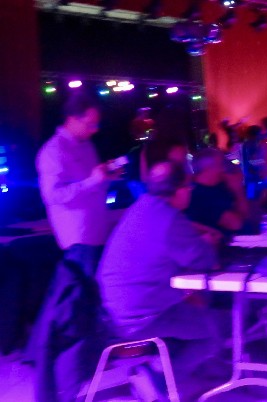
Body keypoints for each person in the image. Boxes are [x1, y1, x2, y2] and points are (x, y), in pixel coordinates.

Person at [97, 161, 221, 382]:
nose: (190, 191)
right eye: (188, 186)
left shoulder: (141, 207)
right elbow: (204, 260)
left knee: (197, 302)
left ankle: (180, 367)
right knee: (214, 331)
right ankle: (159, 380)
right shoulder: (170, 219)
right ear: (178, 190)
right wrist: (208, 243)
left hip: (113, 310)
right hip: (140, 317)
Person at [36, 93, 119, 274]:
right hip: (78, 239)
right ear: (72, 119)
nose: (94, 130)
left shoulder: (87, 145)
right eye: (90, 124)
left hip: (97, 231)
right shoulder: (53, 151)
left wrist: (106, 178)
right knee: (83, 289)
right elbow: (52, 195)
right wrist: (92, 181)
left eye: (96, 124)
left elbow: (92, 186)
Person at [186, 148, 249, 233]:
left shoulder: (221, 186)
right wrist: (238, 191)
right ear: (209, 169)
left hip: (241, 238)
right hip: (223, 240)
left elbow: (248, 216)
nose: (224, 169)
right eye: (221, 164)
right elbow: (236, 224)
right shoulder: (199, 196)